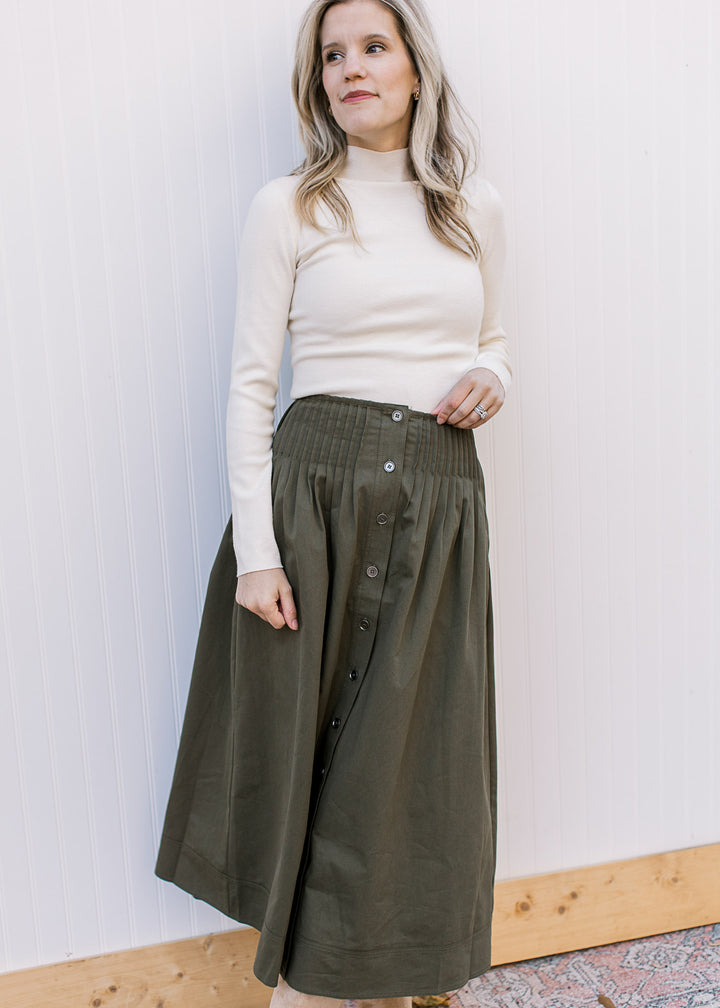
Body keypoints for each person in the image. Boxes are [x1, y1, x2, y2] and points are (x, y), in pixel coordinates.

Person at [155, 0, 512, 1006]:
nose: (350, 68)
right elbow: (250, 385)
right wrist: (259, 551)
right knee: (302, 759)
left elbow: (497, 340)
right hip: (313, 497)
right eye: (330, 57)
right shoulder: (292, 205)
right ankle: (314, 990)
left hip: (442, 498)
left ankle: (386, 981)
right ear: (317, 83)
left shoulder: (472, 206)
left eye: (371, 47)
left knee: (406, 765)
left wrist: (496, 376)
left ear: (414, 64)